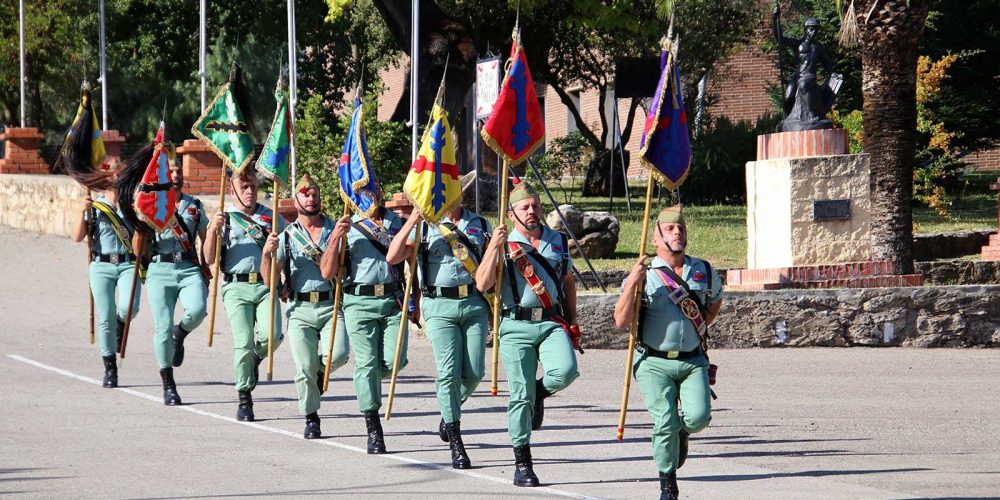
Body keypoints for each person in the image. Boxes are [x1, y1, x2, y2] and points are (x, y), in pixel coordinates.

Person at [475, 181, 581, 487]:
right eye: (525, 207)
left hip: (551, 322)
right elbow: (482, 283)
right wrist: (493, 248)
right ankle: (522, 461)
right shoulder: (504, 243)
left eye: (535, 205)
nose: (531, 211)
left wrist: (573, 319)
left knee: (566, 371)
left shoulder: (557, 241)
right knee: (520, 396)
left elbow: (567, 280)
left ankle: (539, 393)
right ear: (511, 214)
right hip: (515, 326)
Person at [613, 205, 723, 500]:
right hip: (654, 362)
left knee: (699, 418)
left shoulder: (703, 270)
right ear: (655, 239)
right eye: (670, 229)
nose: (677, 233)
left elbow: (715, 301)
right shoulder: (645, 275)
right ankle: (668, 483)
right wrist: (631, 284)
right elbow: (621, 321)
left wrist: (698, 326)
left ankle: (682, 432)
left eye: (681, 228)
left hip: (693, 360)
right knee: (664, 422)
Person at [386, 200, 492, 469]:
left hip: (474, 303)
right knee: (448, 372)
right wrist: (412, 220)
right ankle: (456, 439)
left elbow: (493, 264)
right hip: (439, 305)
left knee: (475, 372)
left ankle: (449, 407)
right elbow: (393, 257)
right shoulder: (424, 227)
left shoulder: (480, 224)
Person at [261, 174, 349, 439]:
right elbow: (270, 281)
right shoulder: (287, 237)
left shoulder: (336, 228)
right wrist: (266, 254)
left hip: (331, 304)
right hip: (299, 309)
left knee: (338, 355)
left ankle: (318, 373)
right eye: (305, 194)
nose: (311, 198)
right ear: (296, 200)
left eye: (314, 194)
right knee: (303, 367)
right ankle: (311, 417)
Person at [320, 190, 405, 455]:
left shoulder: (397, 223)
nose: (370, 196)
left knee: (395, 361)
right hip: (359, 302)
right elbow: (327, 272)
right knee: (367, 364)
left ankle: (366, 382)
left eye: (373, 190)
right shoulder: (348, 225)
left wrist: (413, 299)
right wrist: (336, 237)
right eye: (363, 191)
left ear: (381, 193)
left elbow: (411, 262)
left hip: (392, 301)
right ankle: (373, 425)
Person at [204, 169, 285, 422]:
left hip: (265, 285)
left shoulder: (271, 217)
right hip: (236, 286)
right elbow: (209, 258)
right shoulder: (225, 218)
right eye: (244, 187)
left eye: (253, 187)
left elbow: (287, 252)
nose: (250, 192)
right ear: (232, 191)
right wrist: (212, 231)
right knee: (243, 341)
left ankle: (254, 359)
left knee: (273, 336)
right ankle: (244, 396)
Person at [136, 159, 208, 405]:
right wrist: (140, 227)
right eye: (171, 172)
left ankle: (181, 332)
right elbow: (138, 247)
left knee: (198, 310)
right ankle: (168, 383)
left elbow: (205, 241)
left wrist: (208, 260)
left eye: (179, 171)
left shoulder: (194, 205)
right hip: (160, 269)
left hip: (188, 267)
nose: (176, 175)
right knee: (162, 327)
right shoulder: (152, 205)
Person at [72, 162, 141, 388]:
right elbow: (77, 237)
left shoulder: (132, 205)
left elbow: (141, 240)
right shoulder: (95, 207)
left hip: (127, 263)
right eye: (111, 174)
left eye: (119, 173)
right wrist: (81, 211)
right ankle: (110, 368)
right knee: (105, 317)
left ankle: (121, 324)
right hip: (101, 264)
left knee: (129, 308)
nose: (116, 177)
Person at [773, 3, 838, 131]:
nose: (813, 32)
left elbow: (827, 64)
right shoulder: (798, 44)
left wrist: (834, 73)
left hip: (810, 77)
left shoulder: (818, 48)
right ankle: (786, 119)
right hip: (798, 75)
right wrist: (775, 18)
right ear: (806, 29)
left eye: (816, 29)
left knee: (808, 87)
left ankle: (812, 116)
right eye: (811, 29)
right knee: (788, 96)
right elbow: (780, 38)